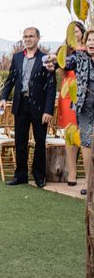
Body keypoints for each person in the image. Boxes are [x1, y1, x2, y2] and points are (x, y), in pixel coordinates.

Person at [0, 27, 56, 188]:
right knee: (20, 142)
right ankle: (21, 175)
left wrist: (48, 110)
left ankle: (39, 176)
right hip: (21, 104)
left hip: (39, 107)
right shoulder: (17, 58)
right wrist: (3, 98)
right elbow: (10, 80)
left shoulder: (45, 59)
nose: (28, 39)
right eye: (25, 36)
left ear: (38, 38)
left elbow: (51, 86)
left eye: (31, 36)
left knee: (40, 142)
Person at [47, 28, 94, 195]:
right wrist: (56, 58)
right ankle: (90, 185)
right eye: (89, 40)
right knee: (87, 145)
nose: (91, 43)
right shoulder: (79, 58)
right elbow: (66, 62)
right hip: (84, 109)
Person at [56, 21, 85, 187]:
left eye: (76, 31)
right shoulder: (64, 52)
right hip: (68, 94)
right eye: (71, 32)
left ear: (82, 32)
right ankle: (72, 171)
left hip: (86, 92)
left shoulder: (89, 48)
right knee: (70, 133)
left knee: (87, 132)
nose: (74, 34)